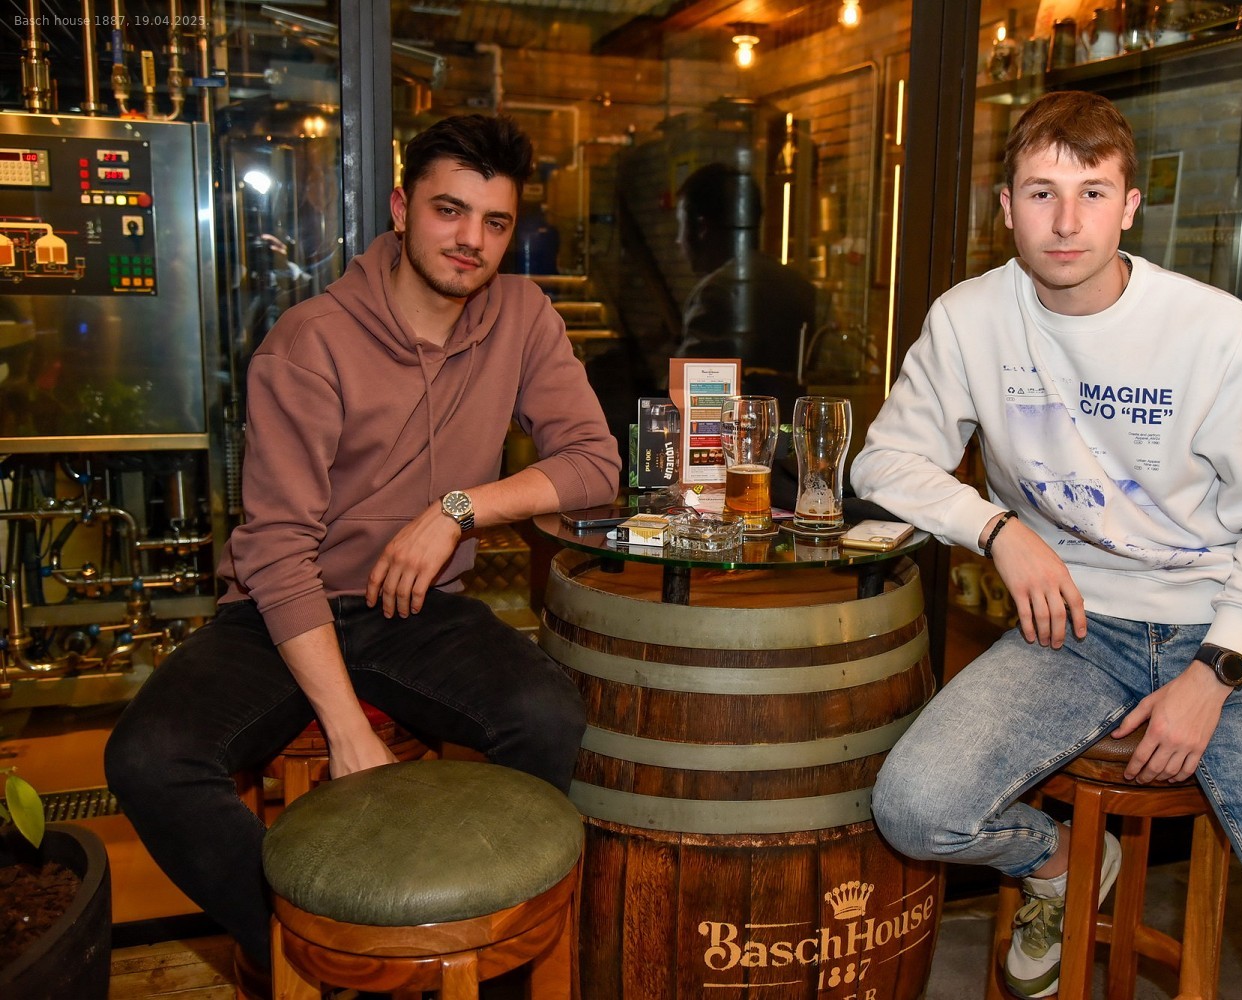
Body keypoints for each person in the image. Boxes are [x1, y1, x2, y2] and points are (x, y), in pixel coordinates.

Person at [850, 92, 1242, 999]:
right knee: (914, 810)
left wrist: (1215, 672)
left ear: (1129, 207)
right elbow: (884, 460)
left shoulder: (1216, 332)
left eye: (1092, 193)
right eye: (1041, 193)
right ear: (1004, 207)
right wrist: (998, 530)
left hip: (1226, 633)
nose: (1066, 222)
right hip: (1073, 629)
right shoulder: (970, 318)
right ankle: (1060, 865)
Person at [105, 113, 620, 988]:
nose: (471, 240)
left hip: (418, 608)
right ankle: (318, 952)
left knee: (546, 717)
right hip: (282, 611)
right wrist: (347, 733)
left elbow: (594, 464)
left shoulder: (522, 315)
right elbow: (276, 549)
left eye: (495, 222)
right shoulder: (310, 341)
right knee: (149, 760)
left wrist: (455, 511)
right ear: (401, 209)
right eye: (449, 211)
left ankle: (468, 948)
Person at [673, 162, 818, 409]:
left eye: (681, 225)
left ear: (701, 228)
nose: (678, 240)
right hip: (792, 422)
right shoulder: (801, 287)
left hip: (738, 427)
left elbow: (693, 397)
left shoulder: (715, 293)